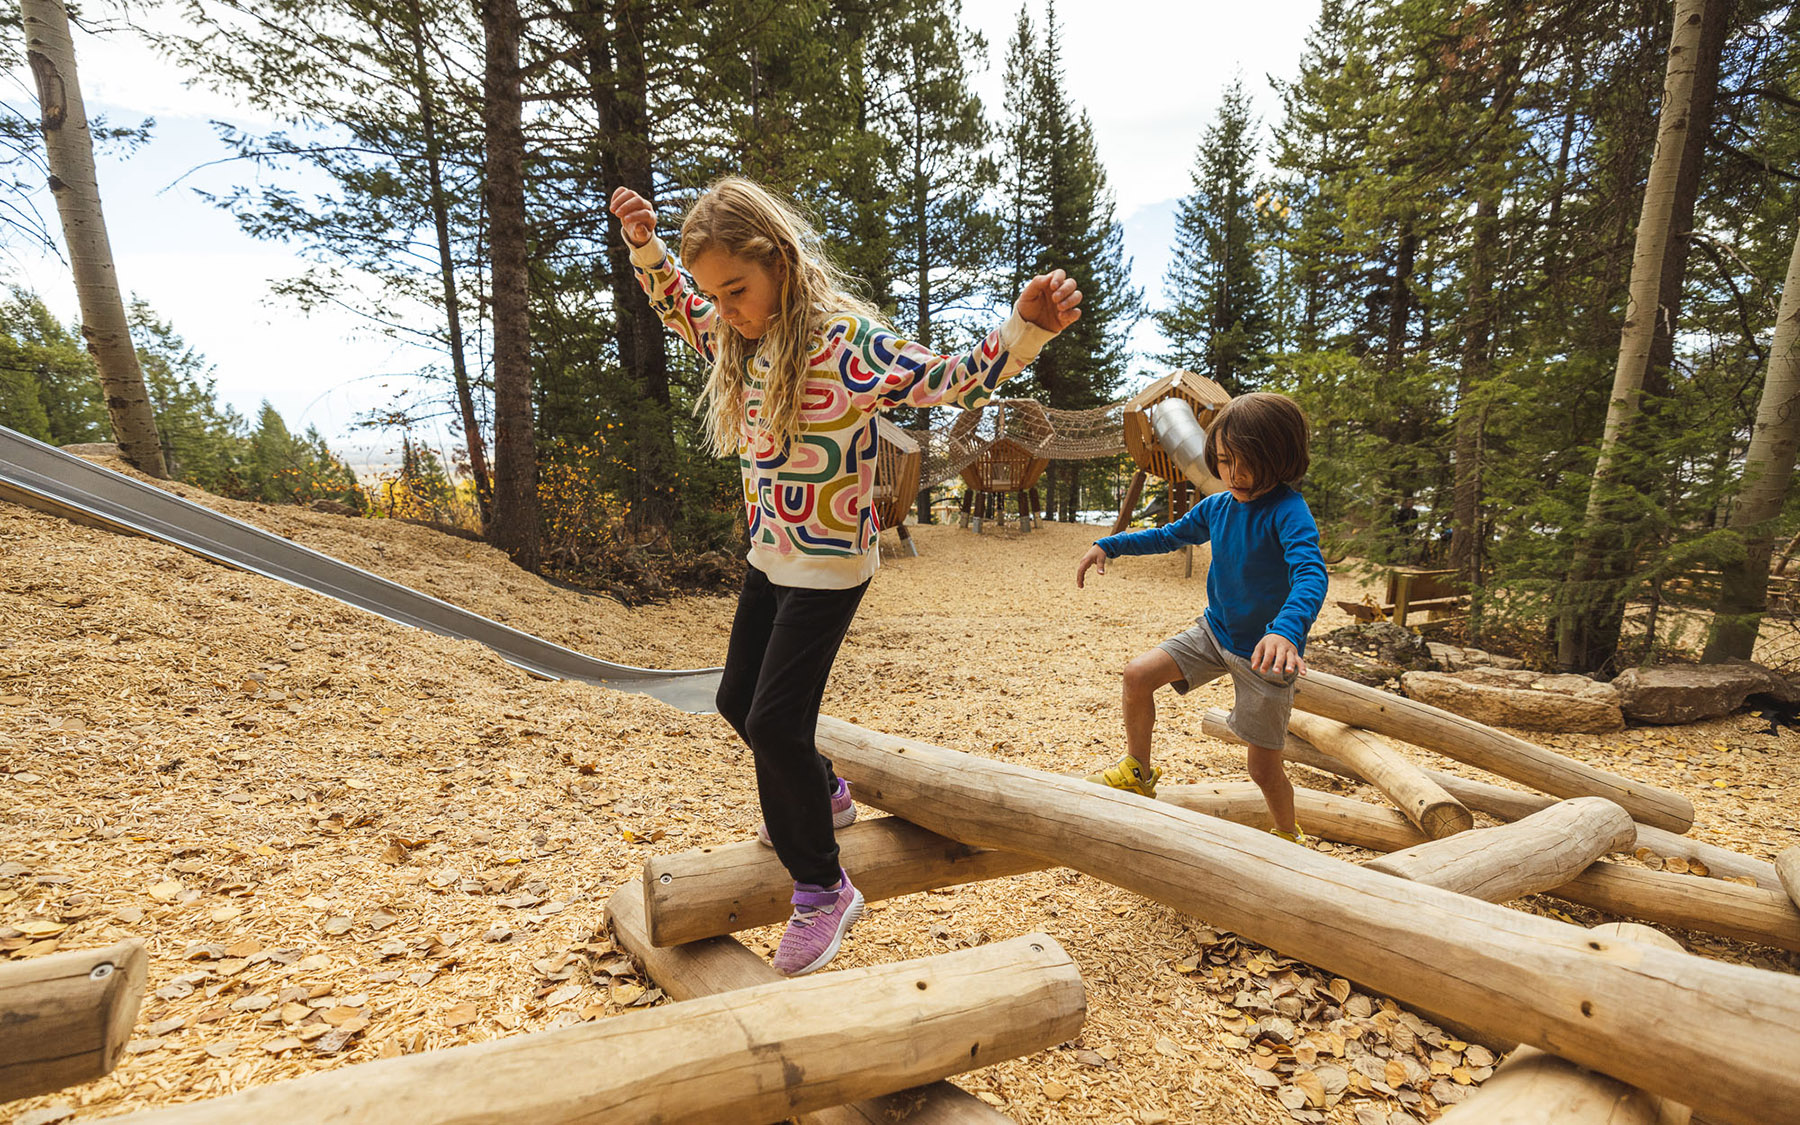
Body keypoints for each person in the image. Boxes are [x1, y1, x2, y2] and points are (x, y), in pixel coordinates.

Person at [610, 177, 1082, 973]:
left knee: (773, 723)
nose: (724, 307)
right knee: (736, 698)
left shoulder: (843, 343)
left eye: (738, 289)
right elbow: (678, 306)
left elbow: (946, 380)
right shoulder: (738, 338)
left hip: (829, 563)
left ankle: (824, 887)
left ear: (781, 266)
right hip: (771, 551)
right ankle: (826, 793)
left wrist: (1022, 332)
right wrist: (646, 248)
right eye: (717, 292)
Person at [1074, 392, 1327, 842]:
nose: (1235, 474)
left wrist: (1286, 632)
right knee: (1137, 675)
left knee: (1263, 770)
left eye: (1248, 462)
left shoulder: (1289, 512)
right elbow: (1169, 535)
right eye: (1226, 461)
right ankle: (1138, 771)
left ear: (1281, 457)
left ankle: (1290, 836)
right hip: (1216, 632)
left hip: (1265, 655)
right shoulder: (1219, 506)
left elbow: (1310, 573)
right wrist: (1109, 544)